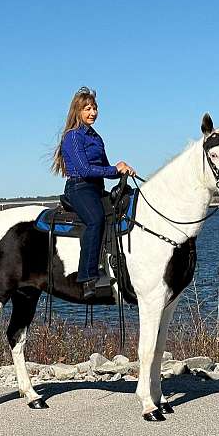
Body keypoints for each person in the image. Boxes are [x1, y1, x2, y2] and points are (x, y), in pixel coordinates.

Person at [52, 87, 135, 299]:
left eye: (94, 108)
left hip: (97, 188)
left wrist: (123, 171)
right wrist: (115, 169)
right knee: (96, 219)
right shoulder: (72, 137)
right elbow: (84, 169)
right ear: (77, 111)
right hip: (79, 187)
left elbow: (106, 169)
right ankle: (87, 277)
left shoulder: (96, 137)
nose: (92, 112)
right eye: (87, 108)